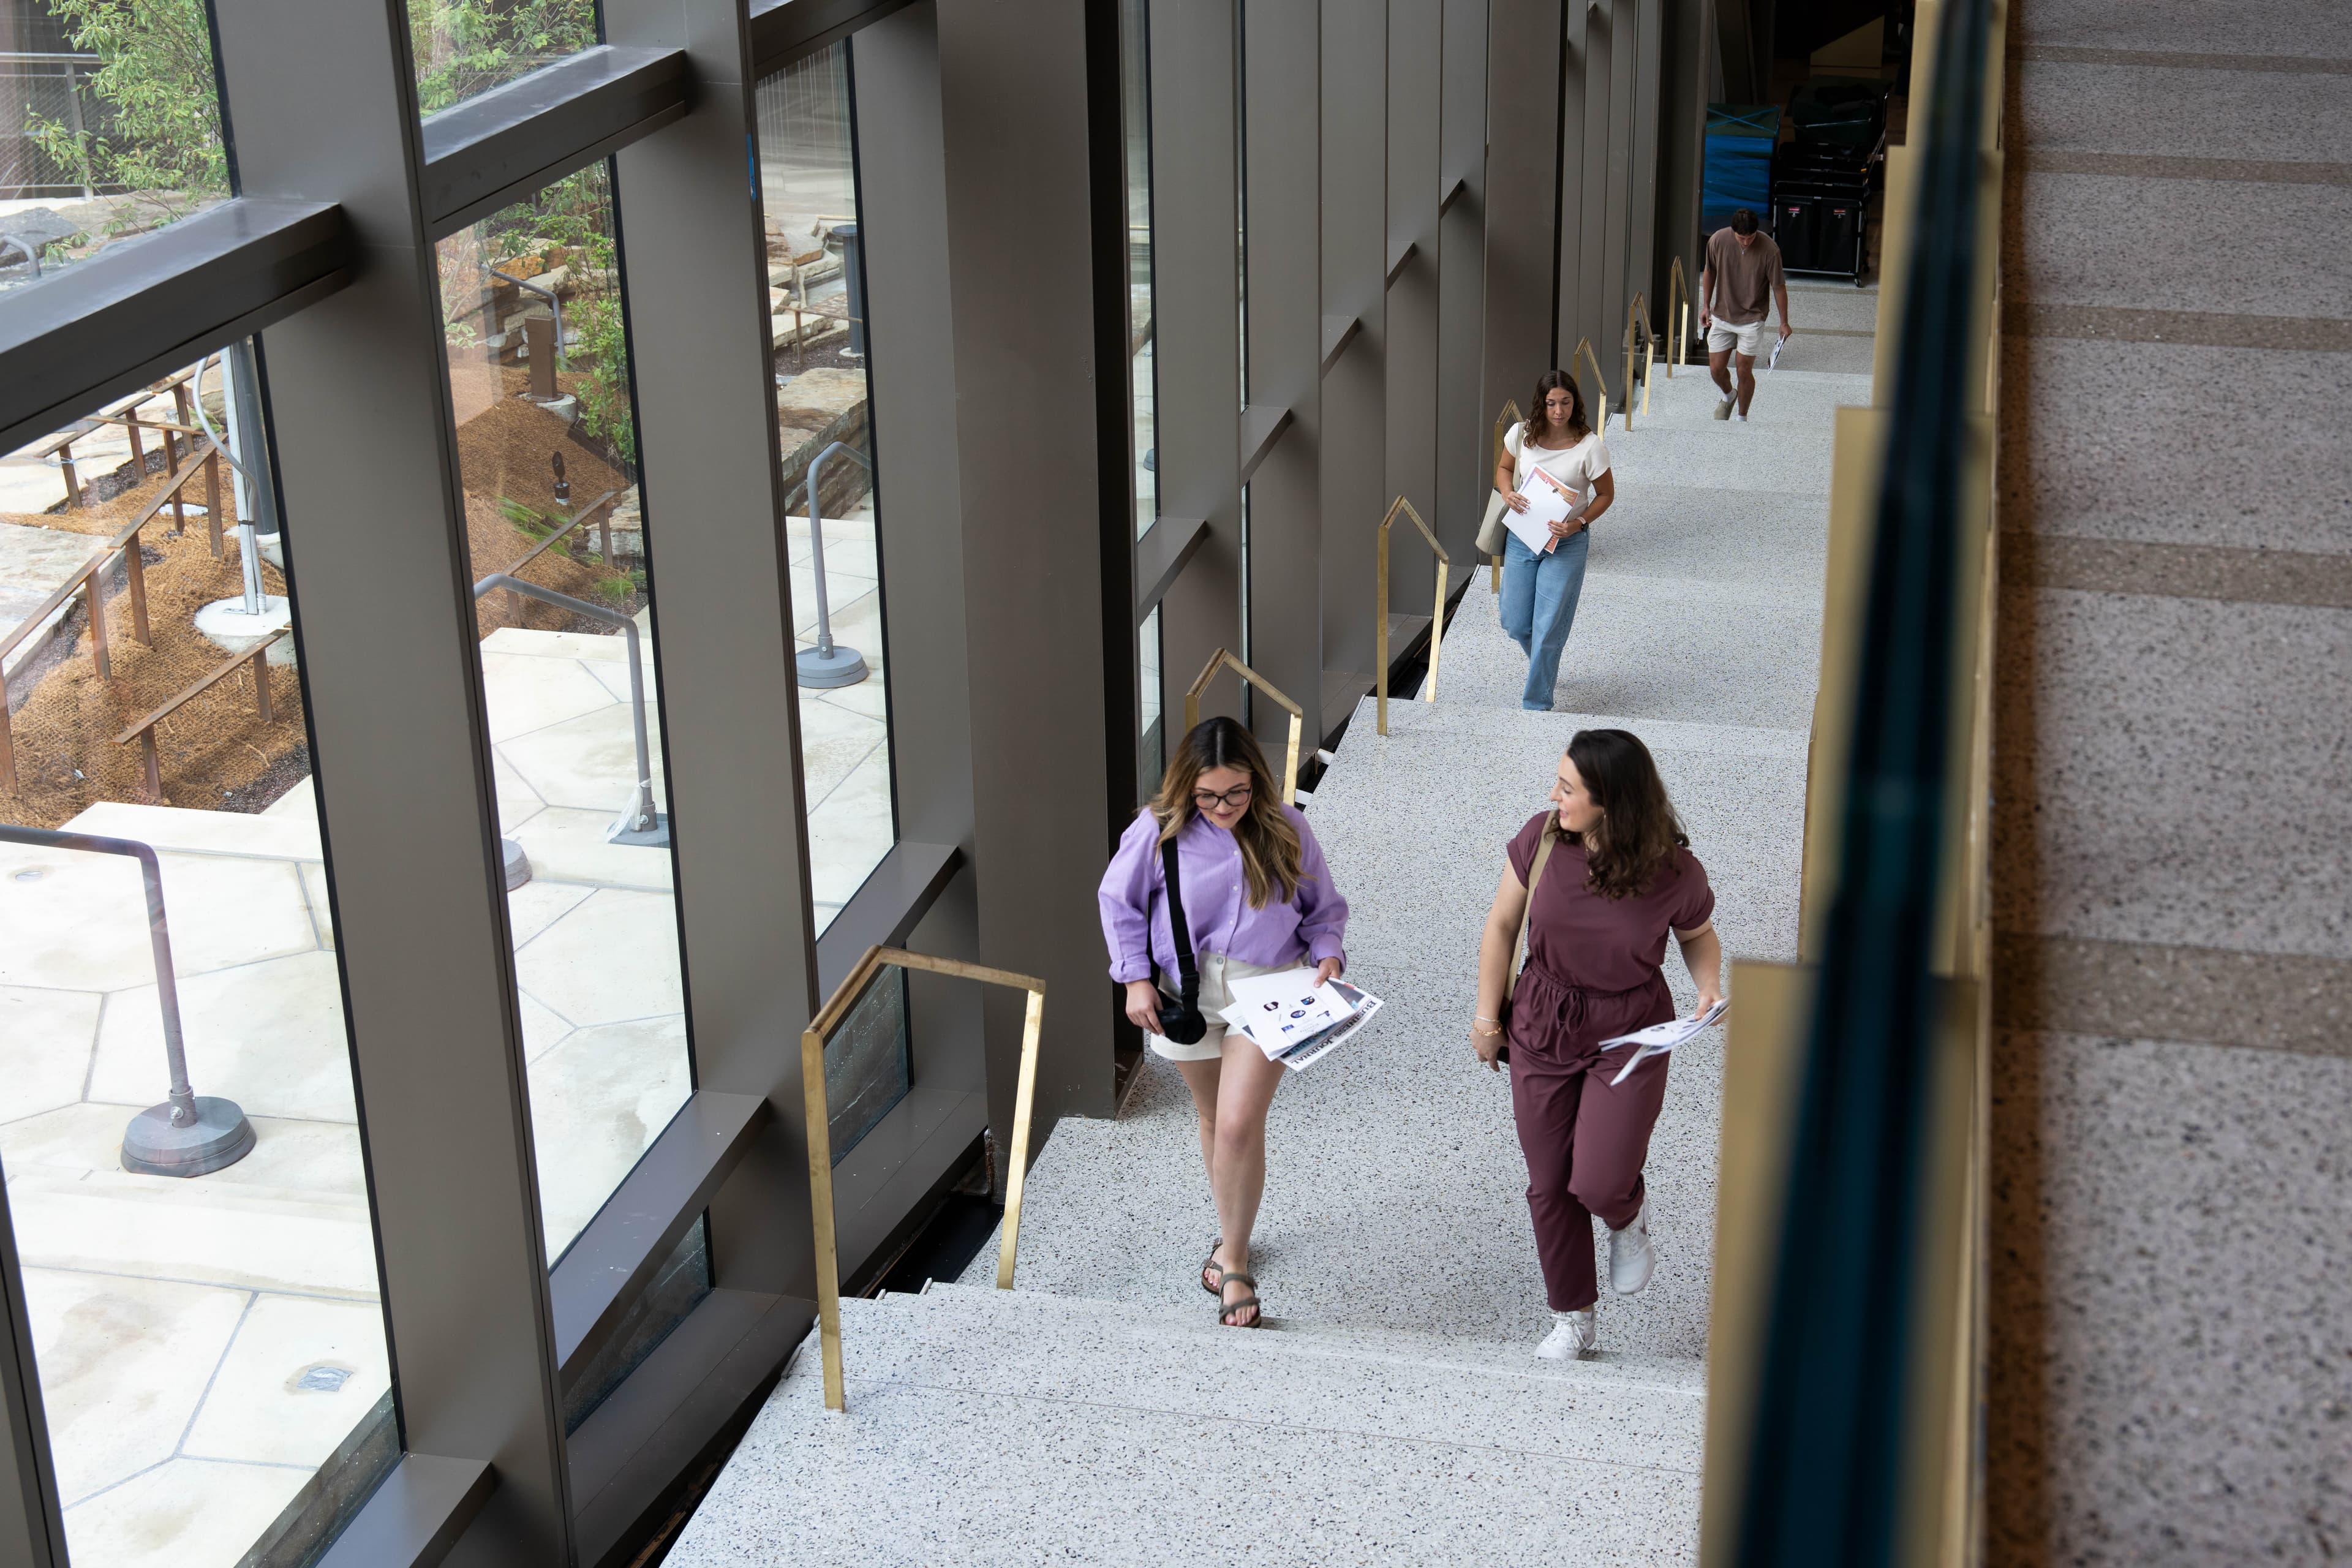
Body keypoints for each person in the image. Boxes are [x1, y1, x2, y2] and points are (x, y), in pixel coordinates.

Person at [1468, 729, 1724, 1360]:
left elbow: (1696, 934)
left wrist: (1711, 987)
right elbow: (1502, 924)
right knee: (1549, 1182)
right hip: (1544, 1018)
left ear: (1612, 801)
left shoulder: (1674, 871)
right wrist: (1485, 1017)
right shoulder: (1543, 837)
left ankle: (1626, 1215)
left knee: (1601, 1178)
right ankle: (1573, 1317)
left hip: (1631, 1026)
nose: (1554, 796)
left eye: (1568, 788)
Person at [1098, 715, 1350, 1329]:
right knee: (1212, 1117)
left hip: (1268, 987)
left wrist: (1330, 952)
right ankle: (1230, 1221)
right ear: (1187, 785)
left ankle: (1233, 1258)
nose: (1222, 806)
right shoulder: (1158, 832)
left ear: (1255, 783)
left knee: (1238, 1123)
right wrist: (1133, 977)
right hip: (1184, 994)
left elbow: (1325, 909)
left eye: (1236, 792)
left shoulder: (1286, 826)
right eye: (1207, 795)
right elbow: (1119, 901)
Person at [1493, 370, 1615, 712]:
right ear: (1541, 404)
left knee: (1548, 625)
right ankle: (1545, 666)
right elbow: (1503, 469)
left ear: (1575, 403)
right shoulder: (1522, 433)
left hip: (1567, 542)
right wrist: (1508, 493)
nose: (1558, 411)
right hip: (1524, 535)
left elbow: (1606, 494)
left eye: (1564, 403)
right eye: (1551, 404)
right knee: (1514, 621)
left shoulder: (1591, 447)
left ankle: (1537, 702)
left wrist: (1578, 523)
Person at [1698, 208, 1793, 423]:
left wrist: (1784, 322)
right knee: (1716, 369)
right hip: (1723, 314)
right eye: (1742, 238)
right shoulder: (1717, 241)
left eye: (1750, 238)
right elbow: (1709, 271)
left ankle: (1742, 418)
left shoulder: (1770, 249)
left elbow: (1779, 286)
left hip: (1753, 317)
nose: (1746, 243)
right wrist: (1706, 306)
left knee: (1743, 369)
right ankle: (1729, 394)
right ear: (1733, 232)